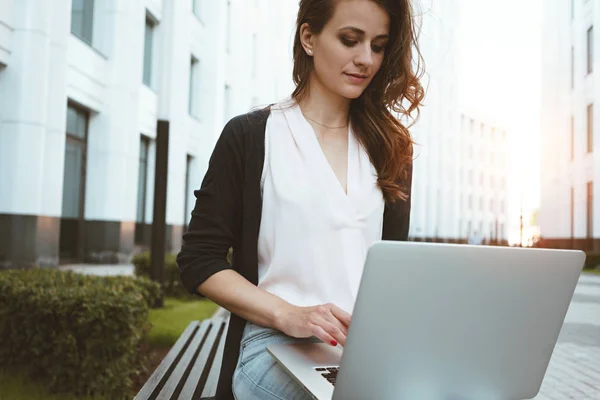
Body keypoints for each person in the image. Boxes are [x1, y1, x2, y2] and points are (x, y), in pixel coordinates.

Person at [177, 0, 425, 398]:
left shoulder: (391, 149)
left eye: (378, 46)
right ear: (308, 37)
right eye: (350, 40)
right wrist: (288, 314)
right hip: (272, 346)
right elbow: (198, 261)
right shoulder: (251, 137)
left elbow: (391, 269)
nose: (366, 59)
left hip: (359, 353)